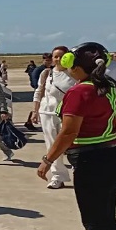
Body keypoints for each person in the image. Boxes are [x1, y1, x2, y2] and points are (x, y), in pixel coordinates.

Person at [36, 42, 116, 230]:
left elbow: (68, 133)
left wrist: (47, 159)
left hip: (91, 162)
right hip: (114, 157)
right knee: (107, 218)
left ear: (76, 67)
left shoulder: (79, 93)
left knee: (95, 224)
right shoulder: (111, 88)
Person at [30, 46, 77, 189]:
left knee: (71, 144)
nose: (57, 59)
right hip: (48, 112)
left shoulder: (74, 74)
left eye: (61, 56)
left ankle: (79, 171)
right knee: (52, 145)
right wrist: (35, 111)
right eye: (55, 56)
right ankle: (58, 176)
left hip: (68, 114)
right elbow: (39, 92)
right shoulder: (46, 73)